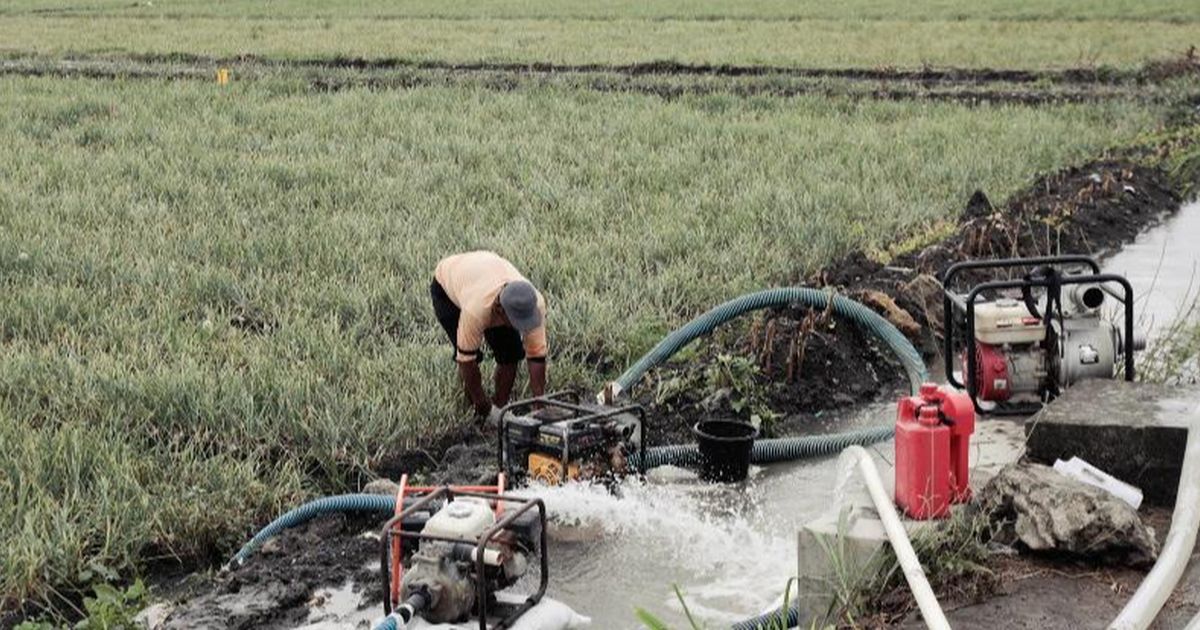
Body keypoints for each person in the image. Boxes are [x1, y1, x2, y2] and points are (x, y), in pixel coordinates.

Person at [430, 251, 548, 424]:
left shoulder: (533, 303)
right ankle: (480, 415)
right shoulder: (476, 310)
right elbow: (466, 361)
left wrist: (540, 406)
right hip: (447, 285)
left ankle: (500, 407)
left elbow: (537, 355)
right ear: (501, 310)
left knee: (511, 353)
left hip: (487, 271)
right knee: (471, 356)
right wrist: (484, 406)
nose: (522, 327)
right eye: (517, 321)